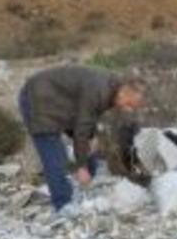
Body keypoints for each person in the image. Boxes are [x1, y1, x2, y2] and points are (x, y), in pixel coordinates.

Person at [18, 65, 146, 215]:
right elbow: (82, 128)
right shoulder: (98, 91)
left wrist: (90, 141)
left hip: (61, 103)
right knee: (55, 156)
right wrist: (81, 166)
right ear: (124, 91)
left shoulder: (112, 88)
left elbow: (87, 118)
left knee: (89, 143)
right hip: (38, 100)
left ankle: (88, 182)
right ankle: (63, 204)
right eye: (129, 104)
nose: (128, 110)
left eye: (133, 107)